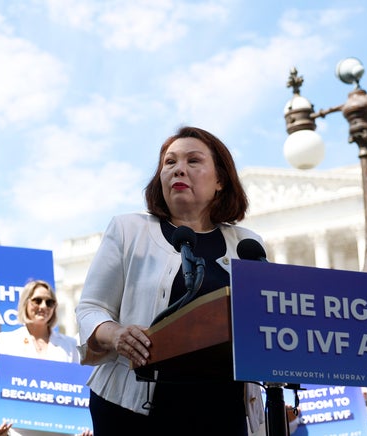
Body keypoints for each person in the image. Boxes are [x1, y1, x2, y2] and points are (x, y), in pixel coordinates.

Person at [75, 126, 266, 435]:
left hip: (221, 409)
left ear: (220, 180)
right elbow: (90, 309)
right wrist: (117, 334)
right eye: (169, 162)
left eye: (193, 161)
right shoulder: (128, 230)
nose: (179, 169)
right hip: (132, 410)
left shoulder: (247, 244)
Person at [0, 280, 89, 436]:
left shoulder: (70, 345)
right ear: (25, 303)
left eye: (49, 302)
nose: (43, 306)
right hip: (18, 432)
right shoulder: (6, 341)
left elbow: (77, 391)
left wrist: (83, 426)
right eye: (37, 300)